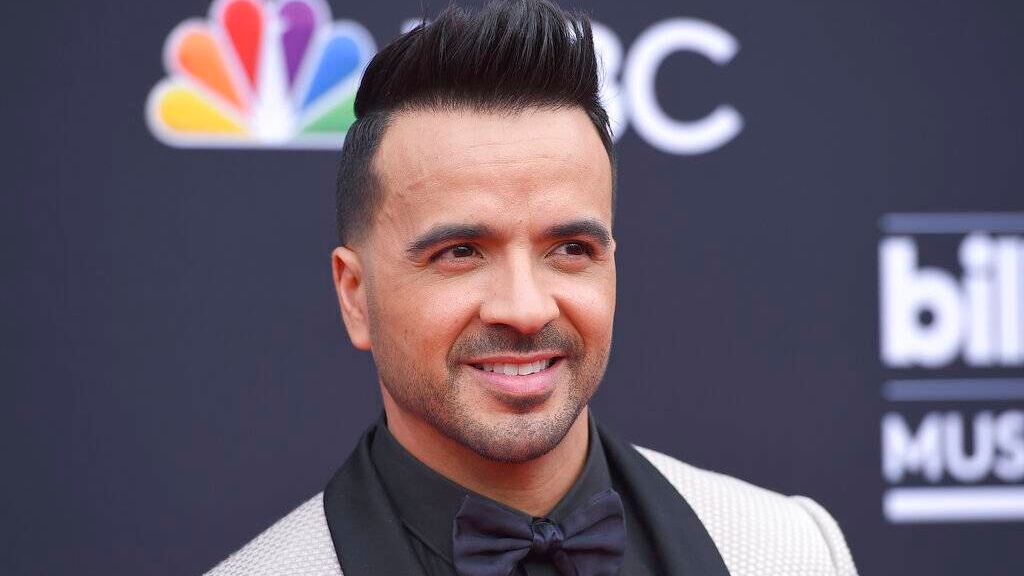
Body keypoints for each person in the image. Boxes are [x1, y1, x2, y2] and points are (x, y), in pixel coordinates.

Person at [205, 1, 857, 574]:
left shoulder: (790, 551)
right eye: (460, 252)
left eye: (570, 249)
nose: (524, 309)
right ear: (355, 295)